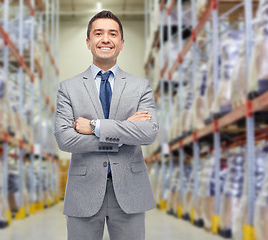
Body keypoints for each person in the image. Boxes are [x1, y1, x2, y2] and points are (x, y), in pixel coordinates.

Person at [54, 10, 159, 240]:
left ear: (121, 43)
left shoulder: (140, 87)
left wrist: (95, 126)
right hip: (83, 191)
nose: (105, 39)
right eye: (98, 33)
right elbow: (65, 139)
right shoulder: (68, 88)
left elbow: (149, 132)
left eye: (112, 34)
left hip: (130, 190)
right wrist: (123, 133)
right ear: (88, 42)